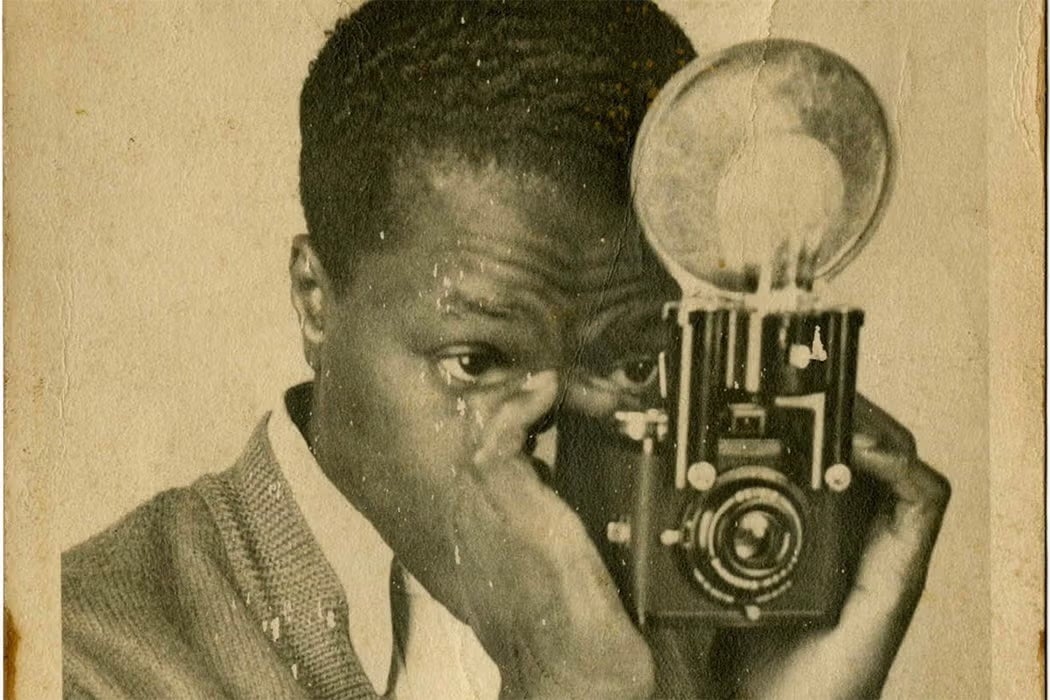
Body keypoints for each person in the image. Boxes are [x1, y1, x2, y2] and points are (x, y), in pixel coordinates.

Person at [61, 1, 950, 698]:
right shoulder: (82, 657)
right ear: (314, 300)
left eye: (633, 364)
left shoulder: (700, 613)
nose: (557, 443)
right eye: (477, 364)